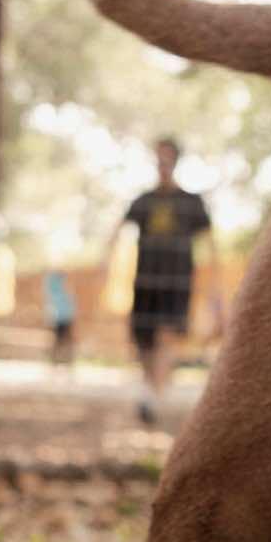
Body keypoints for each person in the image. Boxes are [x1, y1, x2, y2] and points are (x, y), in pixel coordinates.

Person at [102, 138, 218, 423]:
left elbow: (210, 242)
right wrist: (105, 261)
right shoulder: (143, 201)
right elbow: (118, 230)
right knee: (144, 342)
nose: (162, 165)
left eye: (167, 160)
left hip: (177, 282)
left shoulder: (191, 203)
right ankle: (151, 389)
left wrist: (215, 287)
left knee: (166, 338)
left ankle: (152, 397)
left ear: (175, 162)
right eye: (159, 160)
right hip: (145, 281)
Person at [43, 268, 76, 364]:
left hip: (64, 316)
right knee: (59, 340)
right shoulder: (54, 285)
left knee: (64, 339)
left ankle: (63, 359)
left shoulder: (61, 286)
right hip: (59, 316)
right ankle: (57, 359)